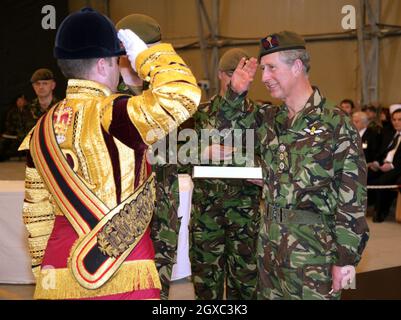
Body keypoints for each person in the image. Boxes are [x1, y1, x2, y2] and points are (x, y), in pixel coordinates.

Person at [19, 7, 200, 300]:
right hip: (122, 269)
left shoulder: (39, 129)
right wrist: (147, 57)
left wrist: (45, 272)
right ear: (103, 65)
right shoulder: (116, 113)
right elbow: (184, 95)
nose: (120, 66)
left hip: (57, 270)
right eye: (117, 60)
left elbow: (36, 214)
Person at [219, 31, 369, 299]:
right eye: (263, 69)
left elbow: (352, 200)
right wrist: (235, 92)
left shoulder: (335, 125)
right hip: (268, 248)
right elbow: (226, 129)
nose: (264, 77)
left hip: (313, 256)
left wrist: (345, 259)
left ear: (297, 66)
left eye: (272, 68)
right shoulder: (270, 119)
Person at [115, 13, 184, 300]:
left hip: (163, 215)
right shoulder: (106, 103)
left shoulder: (163, 99)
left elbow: (174, 155)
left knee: (160, 294)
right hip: (121, 224)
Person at [190, 48, 261, 300]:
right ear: (221, 74)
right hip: (207, 212)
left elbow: (273, 154)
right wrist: (203, 151)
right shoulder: (200, 112)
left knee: (245, 283)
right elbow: (176, 151)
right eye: (233, 73)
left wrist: (257, 164)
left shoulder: (259, 113)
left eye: (246, 73)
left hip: (245, 212)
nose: (240, 79)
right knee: (206, 283)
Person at [368, 104, 401, 222]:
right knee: (366, 174)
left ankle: (380, 212)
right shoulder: (389, 134)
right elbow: (381, 152)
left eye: (399, 120)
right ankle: (364, 208)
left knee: (384, 180)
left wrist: (391, 166)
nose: (396, 122)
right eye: (394, 120)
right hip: (383, 165)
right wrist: (376, 163)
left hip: (397, 167)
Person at [0, 94, 34, 161]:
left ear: (25, 102)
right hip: (14, 134)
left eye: (22, 101)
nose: (20, 102)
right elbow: (8, 124)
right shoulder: (12, 112)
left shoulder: (30, 111)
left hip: (26, 133)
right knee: (2, 140)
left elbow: (31, 125)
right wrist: (12, 131)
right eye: (19, 101)